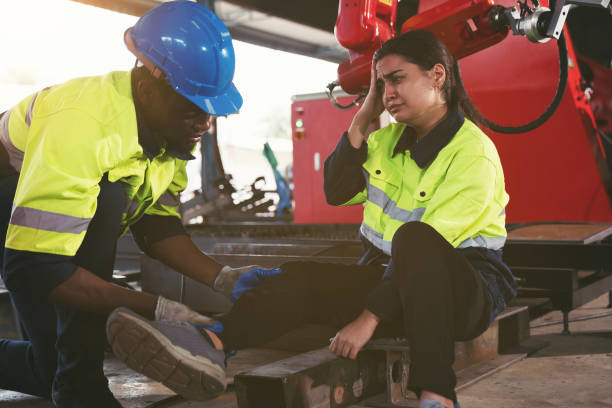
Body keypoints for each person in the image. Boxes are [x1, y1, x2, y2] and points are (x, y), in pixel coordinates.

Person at [106, 30, 517, 408]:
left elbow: (424, 247)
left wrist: (366, 319)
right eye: (381, 84)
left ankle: (437, 395)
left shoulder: (472, 153)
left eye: (397, 79)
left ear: (437, 76)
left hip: (463, 292)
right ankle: (211, 343)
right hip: (395, 285)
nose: (388, 92)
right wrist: (362, 117)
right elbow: (336, 192)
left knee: (413, 237)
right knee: (301, 277)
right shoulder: (387, 140)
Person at [0, 2, 259, 407]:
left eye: (209, 109)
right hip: (10, 192)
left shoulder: (168, 139)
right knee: (104, 204)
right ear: (146, 87)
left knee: (49, 367)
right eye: (192, 105)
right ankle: (82, 389)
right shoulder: (85, 125)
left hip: (37, 222)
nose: (203, 122)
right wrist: (156, 308)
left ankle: (69, 376)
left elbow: (156, 225)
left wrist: (223, 277)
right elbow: (35, 267)